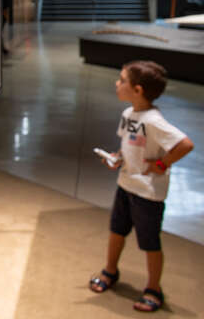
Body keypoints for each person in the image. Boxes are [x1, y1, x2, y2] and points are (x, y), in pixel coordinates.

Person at [89, 60, 195, 312]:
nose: (117, 83)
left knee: (149, 242)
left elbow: (185, 144)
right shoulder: (128, 115)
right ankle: (110, 271)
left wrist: (162, 162)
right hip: (125, 186)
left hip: (148, 193)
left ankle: (153, 289)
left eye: (122, 80)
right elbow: (128, 145)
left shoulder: (153, 120)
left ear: (138, 90)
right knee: (116, 231)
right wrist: (117, 158)